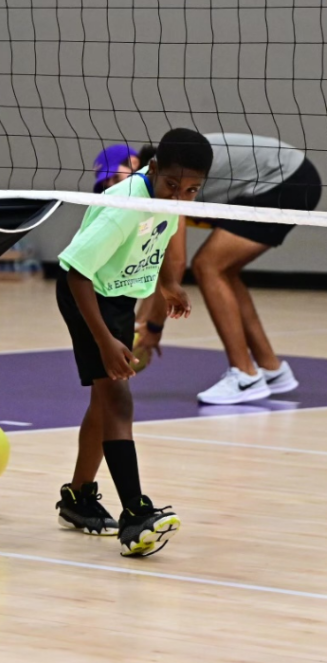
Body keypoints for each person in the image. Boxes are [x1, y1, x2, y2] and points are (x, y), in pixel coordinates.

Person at [54, 128, 212, 556]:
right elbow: (75, 271)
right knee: (118, 399)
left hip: (118, 295)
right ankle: (135, 514)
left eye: (192, 190)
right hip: (86, 293)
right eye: (173, 186)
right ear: (154, 170)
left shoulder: (169, 199)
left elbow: (154, 240)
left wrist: (168, 286)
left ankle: (79, 496)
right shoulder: (124, 206)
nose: (180, 196)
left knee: (103, 401)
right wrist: (104, 340)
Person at [135, 134, 321, 406]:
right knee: (223, 270)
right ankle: (271, 368)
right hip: (291, 176)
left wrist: (151, 326)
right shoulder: (174, 166)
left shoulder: (170, 181)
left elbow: (174, 263)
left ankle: (245, 375)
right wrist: (144, 320)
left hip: (286, 181)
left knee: (208, 266)